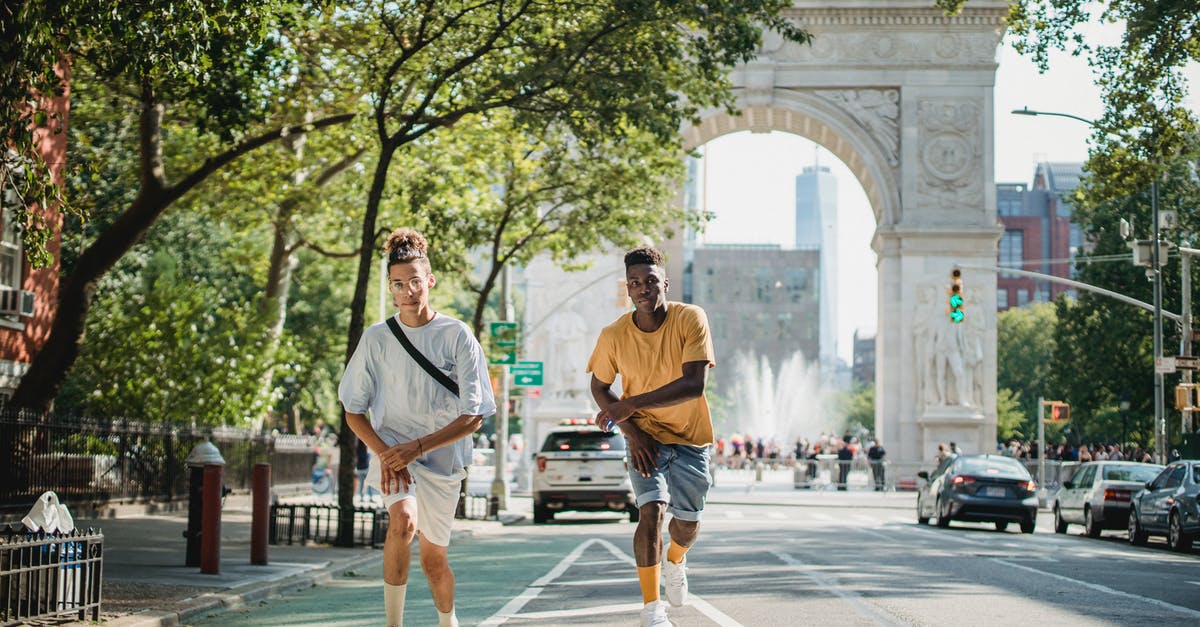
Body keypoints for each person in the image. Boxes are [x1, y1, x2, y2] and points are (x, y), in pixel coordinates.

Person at [339, 228, 496, 627]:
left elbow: (473, 415)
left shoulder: (457, 335)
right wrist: (387, 453)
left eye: (414, 281)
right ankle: (394, 623)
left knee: (434, 559)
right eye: (398, 284)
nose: (408, 291)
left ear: (429, 280)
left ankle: (448, 620)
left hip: (443, 460)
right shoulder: (376, 339)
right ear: (390, 288)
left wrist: (418, 447)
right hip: (393, 452)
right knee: (403, 521)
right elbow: (353, 411)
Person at [587, 246, 716, 627]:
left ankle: (676, 559)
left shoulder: (690, 318)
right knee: (651, 510)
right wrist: (632, 430)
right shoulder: (613, 334)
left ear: (666, 283)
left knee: (687, 525)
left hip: (691, 437)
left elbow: (694, 384)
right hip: (645, 438)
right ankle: (651, 609)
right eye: (635, 283)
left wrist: (628, 406)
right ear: (628, 289)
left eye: (650, 281)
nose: (643, 289)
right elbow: (600, 387)